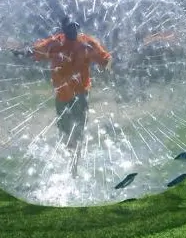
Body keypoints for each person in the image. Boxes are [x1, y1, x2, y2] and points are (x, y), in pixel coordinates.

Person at [11, 17, 112, 154]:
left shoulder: (87, 43)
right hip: (62, 94)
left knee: (78, 127)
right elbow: (36, 51)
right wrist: (20, 52)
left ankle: (77, 155)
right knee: (64, 130)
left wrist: (108, 66)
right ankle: (70, 154)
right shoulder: (56, 43)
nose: (74, 30)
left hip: (80, 92)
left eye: (76, 27)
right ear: (64, 30)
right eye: (70, 27)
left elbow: (105, 58)